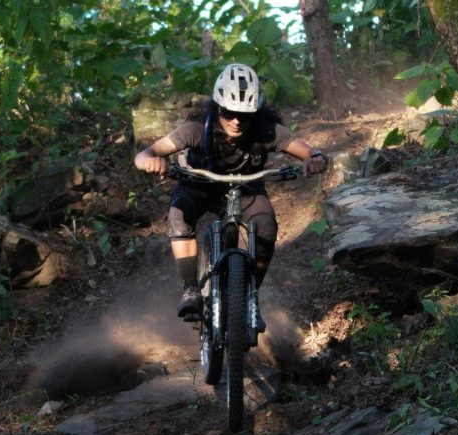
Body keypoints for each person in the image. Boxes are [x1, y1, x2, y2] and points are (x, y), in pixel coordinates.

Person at [133, 63, 325, 323]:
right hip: (199, 183)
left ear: (256, 112)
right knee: (179, 215)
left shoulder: (266, 130)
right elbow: (147, 153)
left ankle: (249, 299)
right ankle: (190, 289)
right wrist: (150, 160)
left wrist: (315, 158)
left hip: (246, 187)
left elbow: (309, 150)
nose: (236, 120)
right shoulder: (196, 129)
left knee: (266, 228)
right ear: (217, 107)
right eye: (229, 112)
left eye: (244, 115)